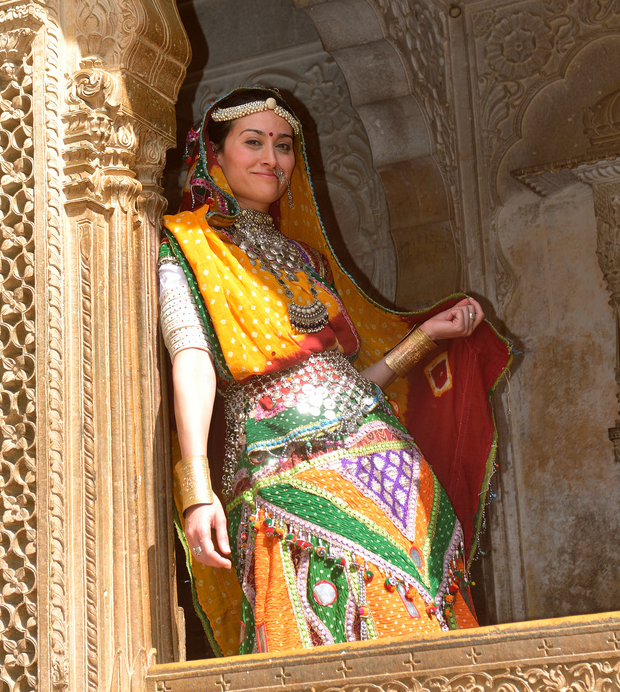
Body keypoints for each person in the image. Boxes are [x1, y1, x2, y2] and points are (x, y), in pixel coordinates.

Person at [159, 87, 511, 655]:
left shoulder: (305, 260)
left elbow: (350, 385)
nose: (272, 159)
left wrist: (428, 337)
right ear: (215, 155)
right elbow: (192, 360)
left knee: (420, 598)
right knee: (322, 619)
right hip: (284, 464)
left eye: (283, 145)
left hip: (385, 457)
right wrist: (197, 489)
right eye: (254, 143)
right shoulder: (186, 245)